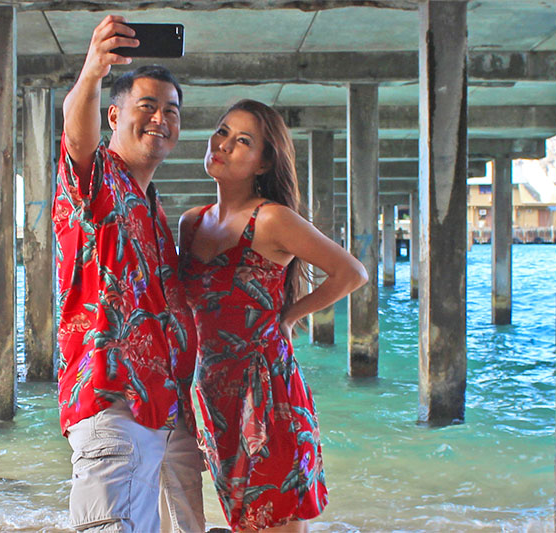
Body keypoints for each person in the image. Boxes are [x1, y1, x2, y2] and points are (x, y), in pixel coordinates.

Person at [177, 99, 367, 532]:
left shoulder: (271, 220)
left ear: (264, 163)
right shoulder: (192, 223)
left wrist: (289, 317)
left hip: (268, 396)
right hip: (213, 397)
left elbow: (351, 272)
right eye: (222, 132)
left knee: (277, 520)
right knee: (244, 522)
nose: (223, 144)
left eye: (242, 141)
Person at [54, 14, 207, 533]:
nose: (160, 118)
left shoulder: (154, 212)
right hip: (113, 409)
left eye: (171, 110)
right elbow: (75, 139)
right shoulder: (97, 180)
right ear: (114, 114)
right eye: (147, 106)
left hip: (163, 414)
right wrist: (93, 71)